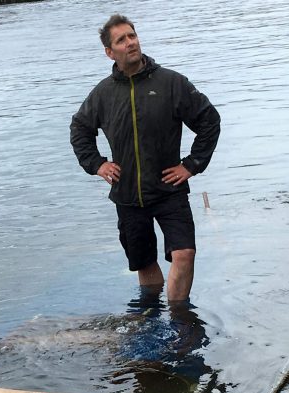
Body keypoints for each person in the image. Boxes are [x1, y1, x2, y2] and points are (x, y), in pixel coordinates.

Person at [70, 14, 220, 303]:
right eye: (121, 40)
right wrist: (97, 164)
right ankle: (152, 318)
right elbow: (80, 129)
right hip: (127, 196)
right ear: (109, 52)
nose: (130, 43)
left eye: (132, 36)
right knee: (144, 264)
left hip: (169, 189)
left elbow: (209, 121)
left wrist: (191, 164)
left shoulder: (171, 83)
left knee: (185, 254)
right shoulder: (103, 94)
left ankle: (179, 317)